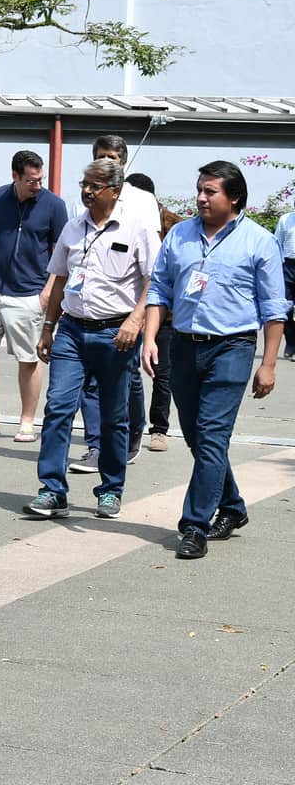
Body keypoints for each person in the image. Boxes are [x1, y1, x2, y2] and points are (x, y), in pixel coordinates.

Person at [144, 161, 285, 559]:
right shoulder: (179, 235)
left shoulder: (259, 242)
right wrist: (149, 338)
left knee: (211, 435)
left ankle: (194, 526)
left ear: (234, 198)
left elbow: (274, 308)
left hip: (232, 348)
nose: (201, 198)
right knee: (197, 437)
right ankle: (233, 506)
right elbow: (159, 289)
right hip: (184, 347)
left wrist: (268, 363)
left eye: (211, 192)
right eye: (200, 190)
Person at [22, 160, 158, 520]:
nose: (87, 191)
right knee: (58, 408)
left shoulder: (138, 226)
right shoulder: (73, 226)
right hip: (71, 330)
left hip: (116, 334)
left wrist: (136, 319)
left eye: (95, 186)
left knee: (114, 416)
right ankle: (53, 490)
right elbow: (59, 279)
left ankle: (111, 489)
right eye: (84, 184)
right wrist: (48, 328)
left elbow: (155, 280)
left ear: (115, 190)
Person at [0, 150, 67, 443]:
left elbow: (61, 254)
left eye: (40, 179)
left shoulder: (54, 205)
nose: (37, 185)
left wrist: (47, 292)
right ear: (15, 176)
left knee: (28, 358)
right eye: (31, 180)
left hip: (31, 292)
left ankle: (27, 421)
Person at [70, 134, 156, 473]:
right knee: (88, 381)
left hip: (126, 307)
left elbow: (152, 260)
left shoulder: (142, 200)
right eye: (101, 157)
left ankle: (132, 433)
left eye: (113, 157)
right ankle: (96, 445)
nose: (107, 162)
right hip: (84, 303)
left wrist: (141, 315)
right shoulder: (83, 197)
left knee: (127, 379)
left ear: (124, 161)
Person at [128, 172, 184, 451]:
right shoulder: (124, 222)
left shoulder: (175, 227)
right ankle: (128, 426)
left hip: (164, 313)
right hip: (127, 312)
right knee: (127, 372)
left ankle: (159, 429)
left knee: (162, 373)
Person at [275, 208, 295, 361]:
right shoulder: (285, 219)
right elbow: (277, 244)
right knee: (284, 309)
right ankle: (291, 341)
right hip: (287, 267)